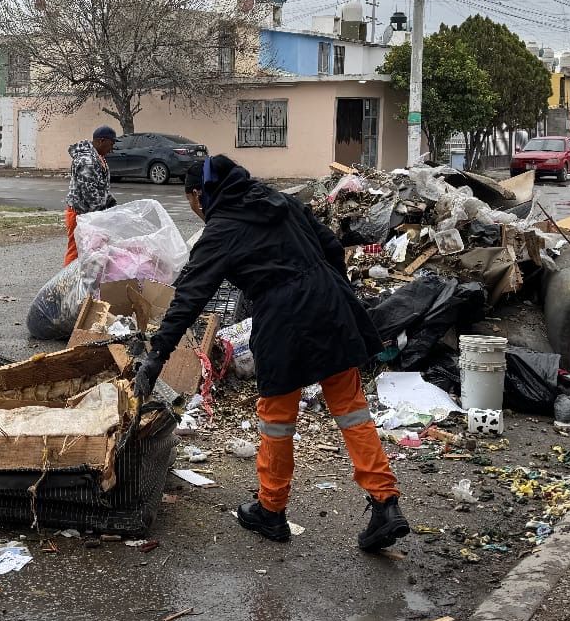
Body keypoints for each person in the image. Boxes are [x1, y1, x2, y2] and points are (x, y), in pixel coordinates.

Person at [133, 155, 409, 551]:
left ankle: (271, 509)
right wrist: (332, 293)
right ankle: (385, 502)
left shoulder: (223, 228)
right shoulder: (279, 201)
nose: (195, 208)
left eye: (192, 199)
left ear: (200, 194)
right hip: (331, 303)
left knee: (278, 417)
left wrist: (157, 355)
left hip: (284, 316)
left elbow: (190, 296)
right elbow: (331, 245)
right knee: (350, 406)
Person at [63, 125, 117, 265]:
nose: (111, 149)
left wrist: (111, 203)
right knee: (76, 252)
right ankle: (68, 284)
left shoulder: (98, 157)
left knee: (91, 252)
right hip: (80, 214)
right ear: (101, 141)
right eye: (110, 144)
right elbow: (89, 192)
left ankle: (86, 283)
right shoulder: (87, 160)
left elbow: (100, 187)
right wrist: (102, 215)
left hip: (90, 214)